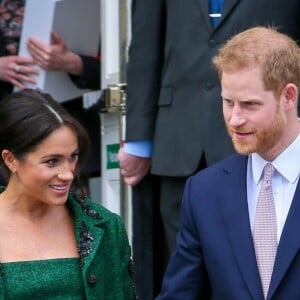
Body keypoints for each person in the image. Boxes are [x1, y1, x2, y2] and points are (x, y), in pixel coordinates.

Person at [117, 0, 300, 298]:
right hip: (181, 138)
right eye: (228, 103)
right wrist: (140, 140)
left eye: (250, 104)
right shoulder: (201, 193)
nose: (234, 119)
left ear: (289, 96)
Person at [0, 89, 134, 299]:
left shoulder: (106, 227)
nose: (68, 174)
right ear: (10, 160)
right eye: (52, 161)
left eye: (72, 157)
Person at [0, 0, 101, 185]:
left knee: (64, 208)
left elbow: (113, 70)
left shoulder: (70, 5)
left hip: (60, 126)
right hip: (6, 126)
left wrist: (70, 62)